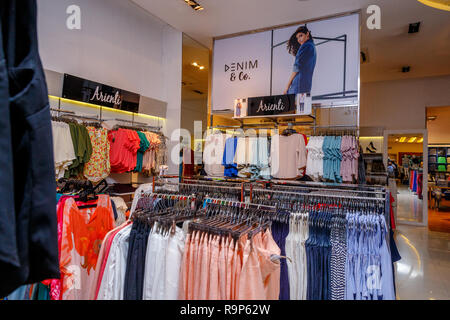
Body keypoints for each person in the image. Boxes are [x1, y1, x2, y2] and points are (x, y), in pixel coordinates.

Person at [284, 26, 317, 95]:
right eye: (297, 38)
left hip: (298, 84)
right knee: (302, 105)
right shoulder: (312, 46)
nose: (299, 39)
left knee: (293, 104)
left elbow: (297, 67)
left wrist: (287, 85)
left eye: (301, 36)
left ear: (307, 34)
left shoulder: (305, 46)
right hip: (306, 85)